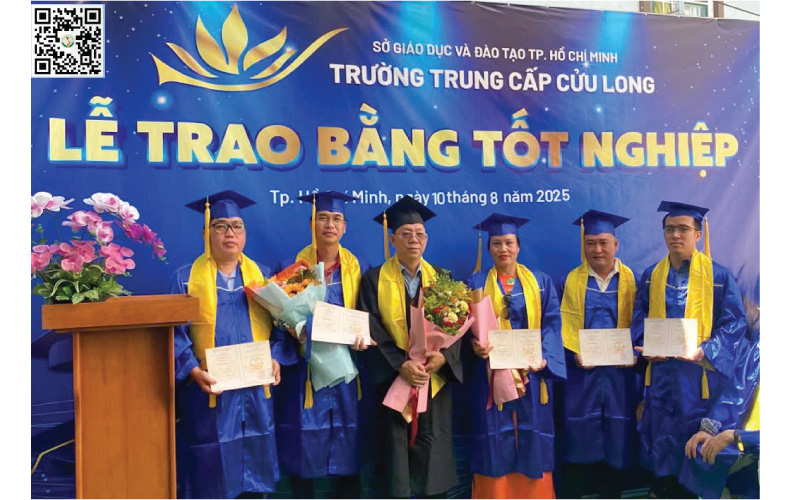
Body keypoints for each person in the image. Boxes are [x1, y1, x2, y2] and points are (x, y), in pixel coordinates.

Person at [170, 190, 282, 499]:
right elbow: (175, 335)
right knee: (211, 469)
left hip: (256, 390)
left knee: (255, 463)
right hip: (211, 391)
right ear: (206, 233)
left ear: (245, 234)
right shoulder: (185, 279)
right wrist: (193, 371)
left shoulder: (263, 277)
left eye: (237, 226)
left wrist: (275, 358)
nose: (229, 233)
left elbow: (281, 329)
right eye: (220, 226)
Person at [631, 201, 747, 498]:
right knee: (662, 440)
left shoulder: (718, 277)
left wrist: (706, 350)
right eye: (669, 229)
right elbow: (639, 319)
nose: (675, 235)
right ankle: (662, 490)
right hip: (662, 376)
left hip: (698, 379)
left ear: (698, 234)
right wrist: (646, 347)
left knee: (692, 442)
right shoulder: (651, 275)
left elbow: (734, 323)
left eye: (683, 229)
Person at [357, 196, 462, 498]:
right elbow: (369, 324)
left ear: (426, 239)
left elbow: (456, 327)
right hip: (394, 380)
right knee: (395, 457)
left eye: (419, 234)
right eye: (405, 234)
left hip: (432, 379)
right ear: (392, 239)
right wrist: (400, 364)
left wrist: (443, 357)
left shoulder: (443, 278)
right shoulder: (373, 279)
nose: (413, 240)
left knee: (432, 452)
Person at [271, 191, 371, 498]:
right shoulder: (293, 268)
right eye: (323, 218)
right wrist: (292, 330)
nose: (330, 224)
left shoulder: (359, 268)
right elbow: (277, 323)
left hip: (347, 373)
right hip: (306, 375)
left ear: (345, 227)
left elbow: (369, 317)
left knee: (348, 448)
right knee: (305, 450)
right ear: (311, 224)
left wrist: (365, 338)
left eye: (337, 219)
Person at [465, 213, 566, 499]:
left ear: (518, 246)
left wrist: (544, 357)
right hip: (492, 377)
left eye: (509, 242)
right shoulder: (475, 282)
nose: (503, 249)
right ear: (489, 248)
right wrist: (474, 345)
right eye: (496, 243)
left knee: (532, 434)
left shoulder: (540, 282)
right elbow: (466, 328)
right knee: (494, 436)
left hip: (532, 376)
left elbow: (552, 324)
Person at [558, 210, 643, 499]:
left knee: (619, 437)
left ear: (615, 244)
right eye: (590, 243)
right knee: (580, 433)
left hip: (622, 376)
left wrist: (637, 353)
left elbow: (644, 323)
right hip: (581, 376)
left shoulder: (635, 282)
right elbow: (557, 326)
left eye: (603, 242)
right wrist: (573, 354)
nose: (597, 249)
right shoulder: (569, 281)